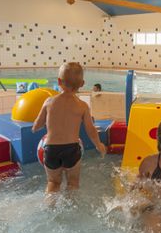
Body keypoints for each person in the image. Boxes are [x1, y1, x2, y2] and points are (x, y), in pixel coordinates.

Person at [32, 62, 107, 194]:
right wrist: (98, 145)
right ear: (82, 84)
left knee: (53, 183)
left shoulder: (49, 102)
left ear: (59, 81)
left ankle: (50, 204)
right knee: (73, 183)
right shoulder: (82, 106)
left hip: (51, 149)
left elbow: (36, 126)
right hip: (71, 149)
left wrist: (41, 125)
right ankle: (71, 202)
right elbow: (90, 129)